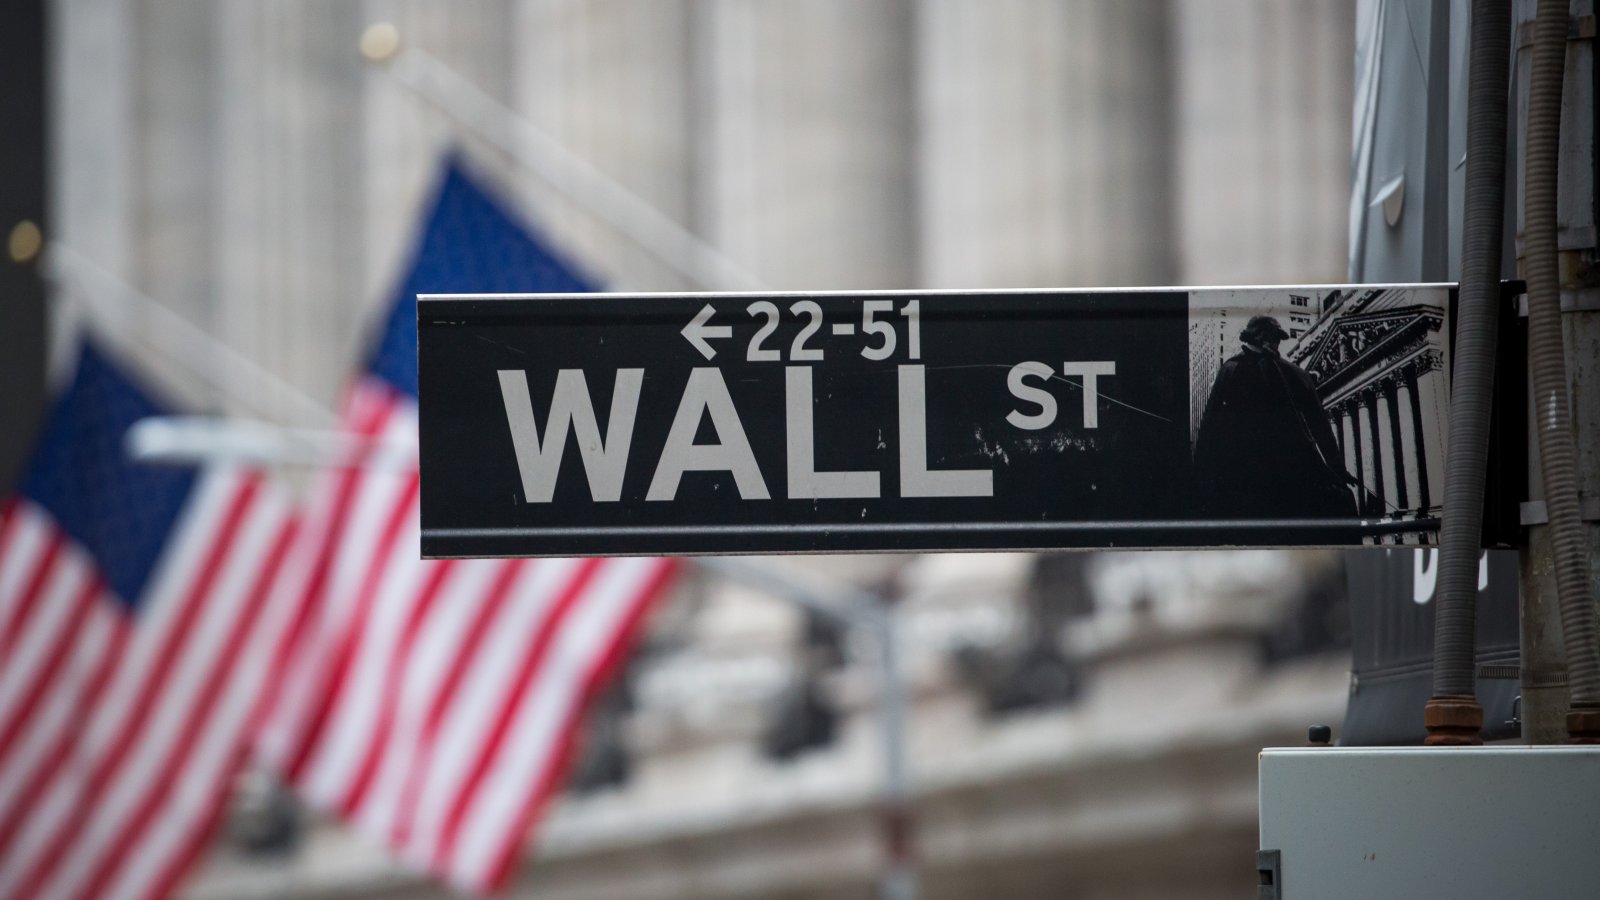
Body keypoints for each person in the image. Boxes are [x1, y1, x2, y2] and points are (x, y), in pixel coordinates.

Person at [1192, 315, 1357, 519]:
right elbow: (1320, 427)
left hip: (1257, 475)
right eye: (1275, 337)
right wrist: (1337, 468)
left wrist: (1201, 474)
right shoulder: (1288, 373)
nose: (1277, 343)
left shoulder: (1234, 369)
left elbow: (1210, 428)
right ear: (1261, 337)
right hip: (1275, 471)